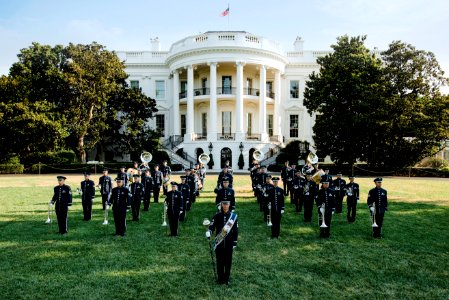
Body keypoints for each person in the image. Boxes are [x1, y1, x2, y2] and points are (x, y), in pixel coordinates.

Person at [206, 200, 238, 285]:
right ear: (221, 205)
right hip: (219, 243)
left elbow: (235, 230)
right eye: (223, 204)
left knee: (228, 261)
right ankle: (220, 279)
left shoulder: (233, 216)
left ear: (229, 205)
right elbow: (212, 226)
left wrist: (235, 242)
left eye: (227, 204)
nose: (225, 206)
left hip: (229, 242)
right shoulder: (216, 216)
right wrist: (209, 231)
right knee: (219, 261)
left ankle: (227, 278)